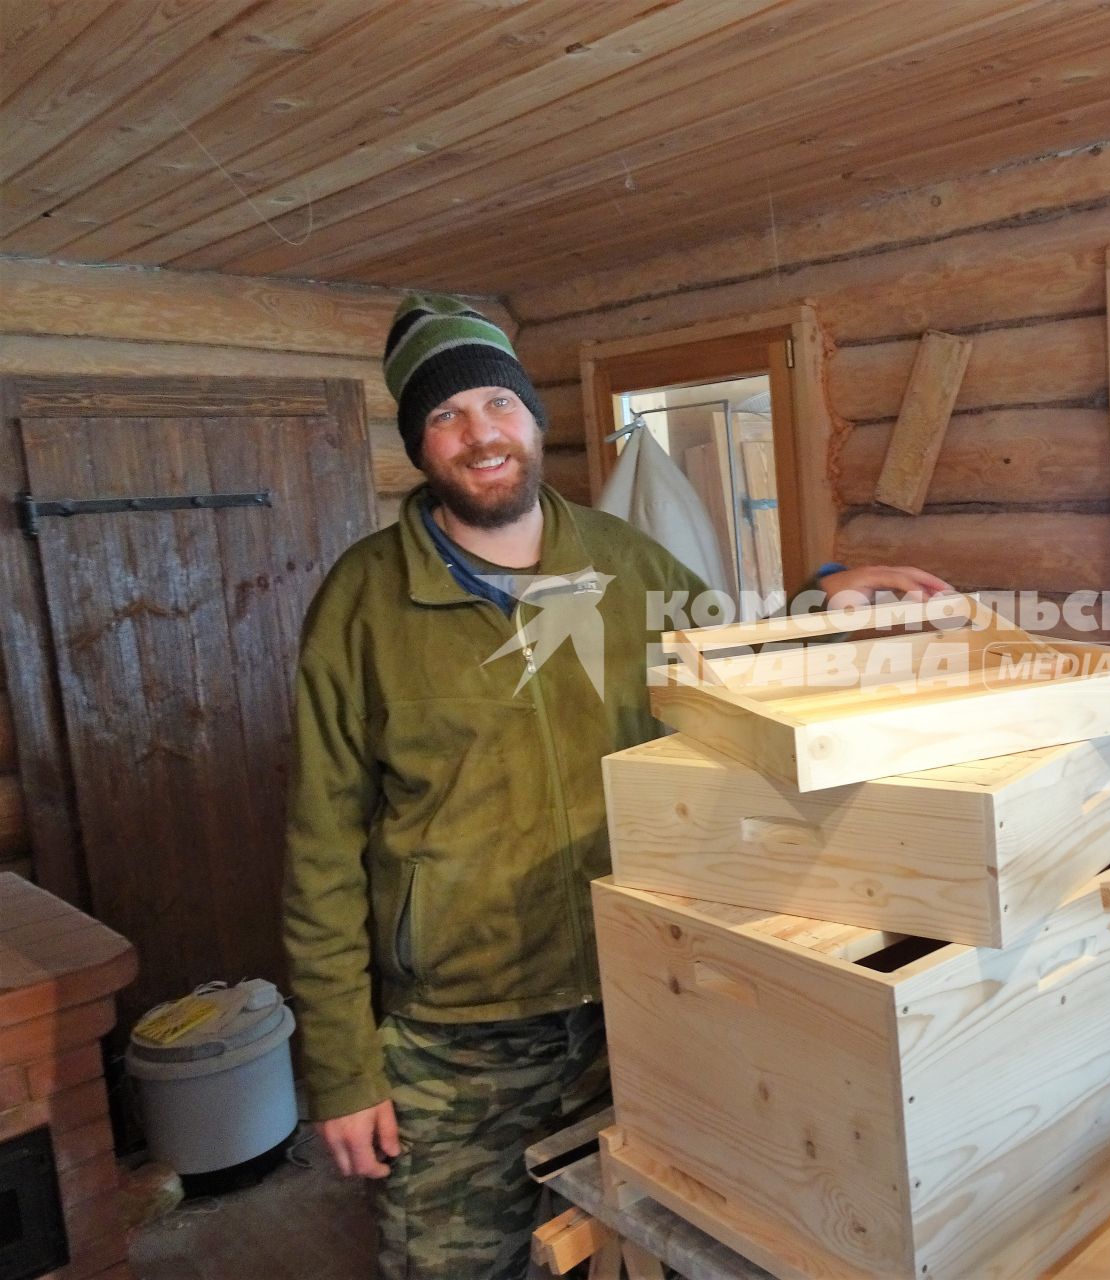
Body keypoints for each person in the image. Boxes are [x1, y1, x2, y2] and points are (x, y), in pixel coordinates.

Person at [282, 293, 948, 1278]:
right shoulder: (362, 602)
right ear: (421, 448)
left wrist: (820, 601)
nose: (480, 434)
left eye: (496, 406)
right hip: (457, 1034)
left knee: (644, 1242)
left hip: (633, 986)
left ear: (532, 419)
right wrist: (342, 1067)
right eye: (446, 416)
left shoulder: (626, 562)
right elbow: (321, 846)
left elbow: (729, 664)